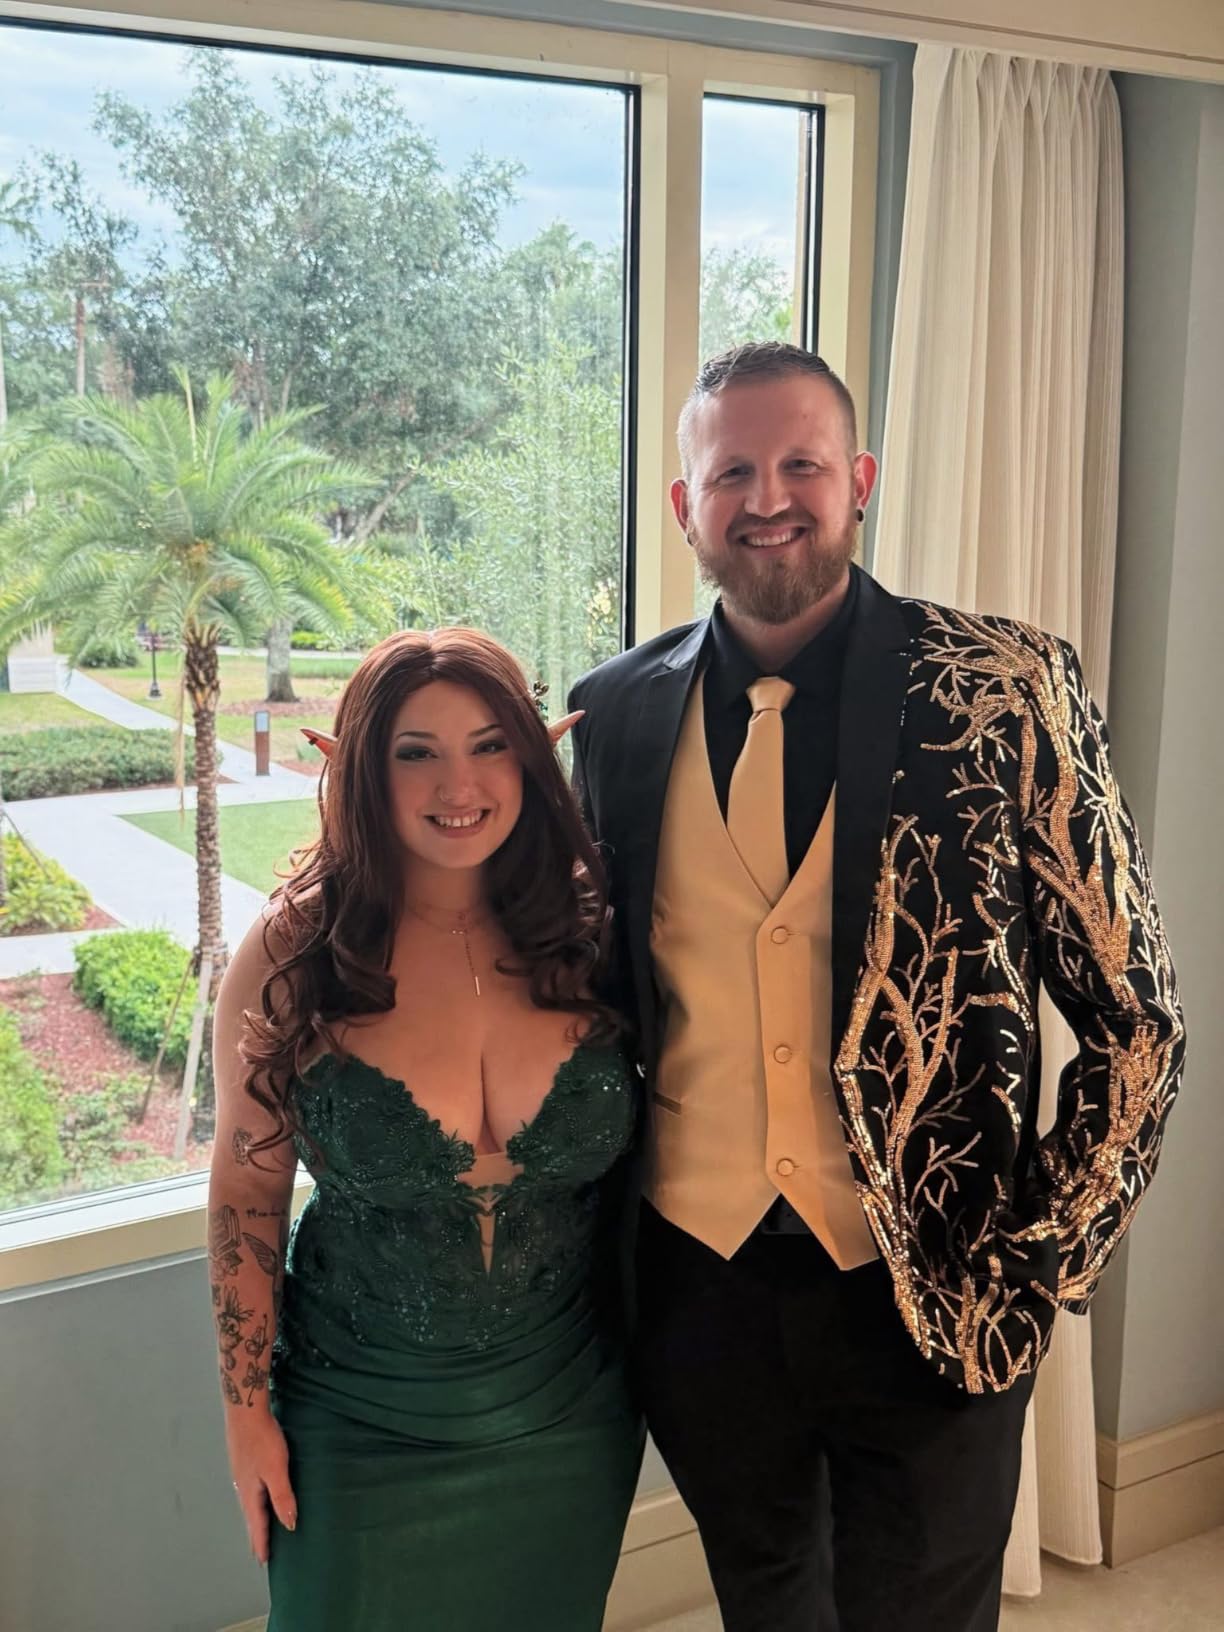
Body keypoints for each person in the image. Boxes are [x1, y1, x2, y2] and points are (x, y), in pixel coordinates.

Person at [568, 341, 1186, 1632]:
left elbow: (1138, 1022)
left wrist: (1039, 1260)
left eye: (800, 464)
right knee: (768, 1608)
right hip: (700, 1294)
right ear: (685, 505)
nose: (768, 498)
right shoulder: (615, 713)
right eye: (732, 472)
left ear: (858, 480)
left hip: (936, 1292)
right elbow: (575, 978)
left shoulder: (1006, 690)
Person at [208, 627, 644, 1632]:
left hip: (569, 1417)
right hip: (355, 1423)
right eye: (417, 752)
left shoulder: (591, 936)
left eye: (491, 745)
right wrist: (244, 1418)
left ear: (532, 758)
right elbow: (246, 1189)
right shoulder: (293, 952)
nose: (460, 785)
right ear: (363, 766)